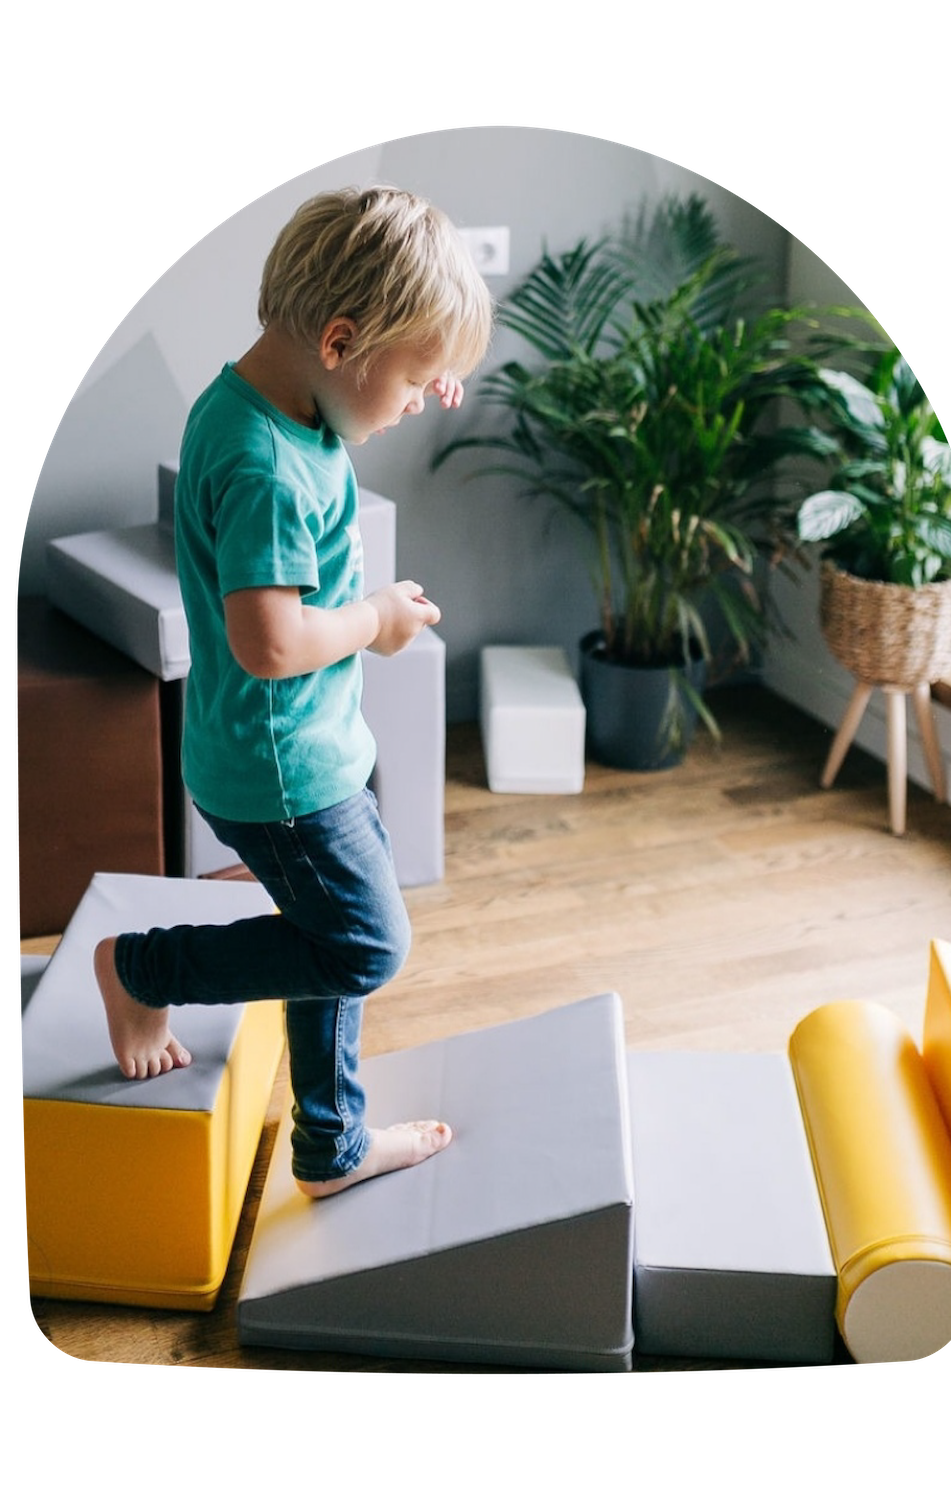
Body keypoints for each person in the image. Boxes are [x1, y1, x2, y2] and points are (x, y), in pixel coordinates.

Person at [94, 186, 494, 1199]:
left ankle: (329, 1144)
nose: (414, 404)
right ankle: (145, 971)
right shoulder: (265, 461)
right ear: (342, 337)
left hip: (310, 749)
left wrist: (423, 362)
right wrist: (378, 619)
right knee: (366, 945)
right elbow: (269, 644)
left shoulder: (271, 403)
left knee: (324, 943)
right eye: (413, 381)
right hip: (281, 768)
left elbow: (369, 387)